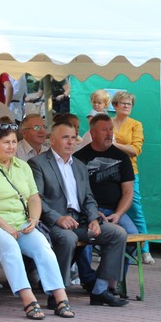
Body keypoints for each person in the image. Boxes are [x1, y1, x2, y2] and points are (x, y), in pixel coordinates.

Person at [0, 121, 74, 320]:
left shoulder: (22, 166)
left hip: (18, 223)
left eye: (14, 142)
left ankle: (60, 298)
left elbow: (34, 198)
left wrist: (34, 219)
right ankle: (29, 300)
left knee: (43, 246)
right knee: (10, 246)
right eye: (6, 142)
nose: (11, 146)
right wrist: (4, 226)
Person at [30, 120, 128, 307]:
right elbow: (36, 198)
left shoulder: (80, 165)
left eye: (73, 138)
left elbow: (88, 198)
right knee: (68, 239)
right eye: (65, 137)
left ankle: (100, 290)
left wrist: (93, 219)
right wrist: (58, 218)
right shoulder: (38, 163)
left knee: (118, 233)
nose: (70, 142)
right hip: (53, 222)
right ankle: (56, 293)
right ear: (52, 140)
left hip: (80, 221)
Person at [74, 114, 138, 285]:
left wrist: (118, 214)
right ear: (93, 133)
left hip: (115, 211)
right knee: (86, 239)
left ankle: (112, 281)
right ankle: (89, 281)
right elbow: (76, 193)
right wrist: (93, 214)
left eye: (111, 129)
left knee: (133, 236)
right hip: (87, 213)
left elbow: (128, 192)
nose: (110, 133)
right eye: (104, 130)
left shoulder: (122, 157)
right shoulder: (79, 158)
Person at [110, 90, 153, 263]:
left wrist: (114, 145)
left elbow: (135, 150)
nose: (127, 106)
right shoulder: (107, 122)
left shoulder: (136, 125)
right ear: (115, 105)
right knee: (108, 206)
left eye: (129, 104)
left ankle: (145, 250)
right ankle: (110, 246)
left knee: (135, 208)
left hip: (130, 172)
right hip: (108, 172)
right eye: (123, 103)